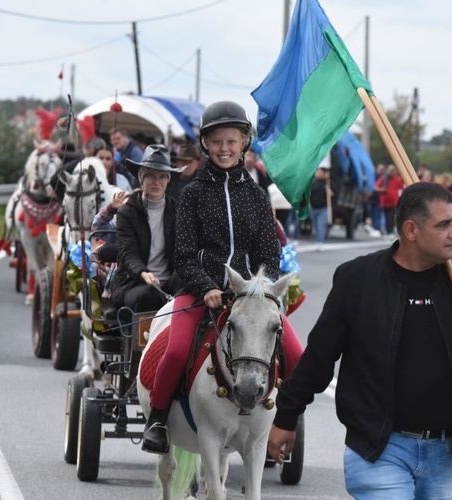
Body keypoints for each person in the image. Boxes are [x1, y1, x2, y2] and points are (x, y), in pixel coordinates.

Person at [268, 182, 452, 499]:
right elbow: (319, 358)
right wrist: (286, 417)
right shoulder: (358, 279)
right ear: (411, 230)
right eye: (444, 224)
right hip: (378, 448)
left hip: (447, 452)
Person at [141, 101, 305, 454]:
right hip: (201, 292)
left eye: (231, 141)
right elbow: (182, 256)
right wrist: (207, 287)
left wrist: (257, 290)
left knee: (295, 353)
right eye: (216, 141)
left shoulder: (258, 197)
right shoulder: (192, 196)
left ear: (245, 142)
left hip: (250, 298)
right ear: (205, 144)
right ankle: (156, 421)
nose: (224, 148)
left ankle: (282, 424)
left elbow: (269, 256)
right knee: (176, 351)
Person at [109, 144, 181, 317]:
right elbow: (128, 253)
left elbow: (184, 252)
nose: (157, 182)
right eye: (151, 176)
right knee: (149, 296)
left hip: (170, 283)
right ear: (141, 179)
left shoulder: (178, 210)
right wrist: (143, 273)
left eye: (162, 177)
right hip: (133, 283)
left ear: (168, 179)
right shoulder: (127, 212)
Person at [375, 164, 405, 237]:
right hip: (384, 202)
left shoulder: (398, 179)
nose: (391, 172)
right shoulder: (383, 178)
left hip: (394, 202)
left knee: (391, 217)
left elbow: (403, 187)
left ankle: (390, 231)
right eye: (390, 170)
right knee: (386, 217)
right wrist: (383, 189)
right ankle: (387, 231)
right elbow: (375, 187)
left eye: (393, 170)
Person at [309, 163, 331, 250]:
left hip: (323, 208)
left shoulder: (328, 183)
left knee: (321, 225)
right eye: (318, 171)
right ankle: (317, 240)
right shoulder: (314, 182)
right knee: (315, 226)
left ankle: (321, 242)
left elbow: (335, 195)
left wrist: (330, 193)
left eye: (320, 172)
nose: (318, 173)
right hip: (314, 208)